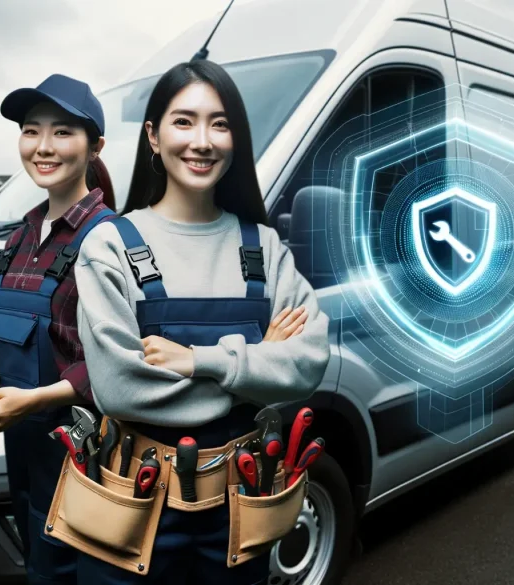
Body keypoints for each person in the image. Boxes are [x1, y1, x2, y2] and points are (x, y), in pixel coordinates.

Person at [72, 59, 331, 584]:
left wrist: (198, 361)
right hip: (132, 504)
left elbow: (308, 362)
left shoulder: (265, 247)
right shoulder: (109, 247)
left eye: (220, 123)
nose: (202, 140)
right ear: (153, 135)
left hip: (241, 508)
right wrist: (255, 368)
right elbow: (120, 389)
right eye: (183, 121)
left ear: (235, 138)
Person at [0, 73, 117, 585]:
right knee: (38, 561)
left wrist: (32, 401)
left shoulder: (110, 240)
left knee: (80, 569)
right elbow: (3, 336)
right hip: (23, 443)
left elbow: (115, 363)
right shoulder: (20, 237)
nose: (43, 146)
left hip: (84, 449)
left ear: (94, 145)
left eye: (62, 132)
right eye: (31, 131)